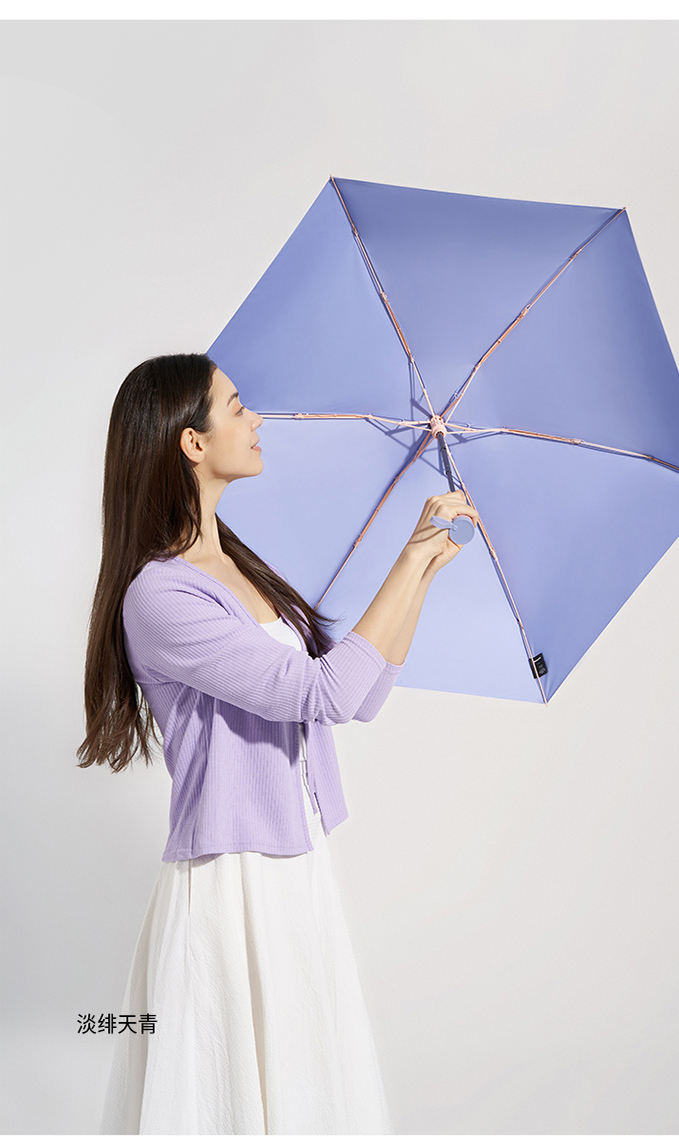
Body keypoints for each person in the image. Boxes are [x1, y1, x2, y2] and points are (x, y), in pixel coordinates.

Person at [78, 352, 478, 1135]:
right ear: (192, 442)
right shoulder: (161, 595)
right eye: (236, 404)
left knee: (303, 1087)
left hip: (297, 863)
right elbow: (323, 694)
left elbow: (362, 696)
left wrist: (425, 565)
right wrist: (403, 557)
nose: (255, 418)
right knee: (233, 1092)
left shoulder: (236, 564)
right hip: (233, 879)